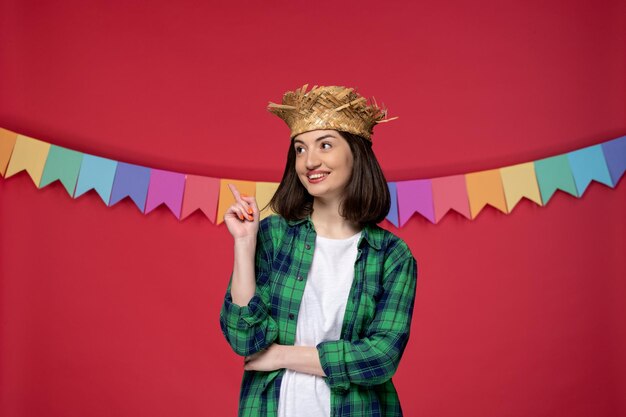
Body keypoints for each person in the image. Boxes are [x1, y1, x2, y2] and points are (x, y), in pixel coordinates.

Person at [220, 84, 418, 417]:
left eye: (325, 145)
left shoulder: (391, 255)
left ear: (356, 154)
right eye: (299, 149)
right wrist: (244, 243)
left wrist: (282, 356)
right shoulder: (272, 236)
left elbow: (381, 356)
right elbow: (245, 340)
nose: (309, 161)